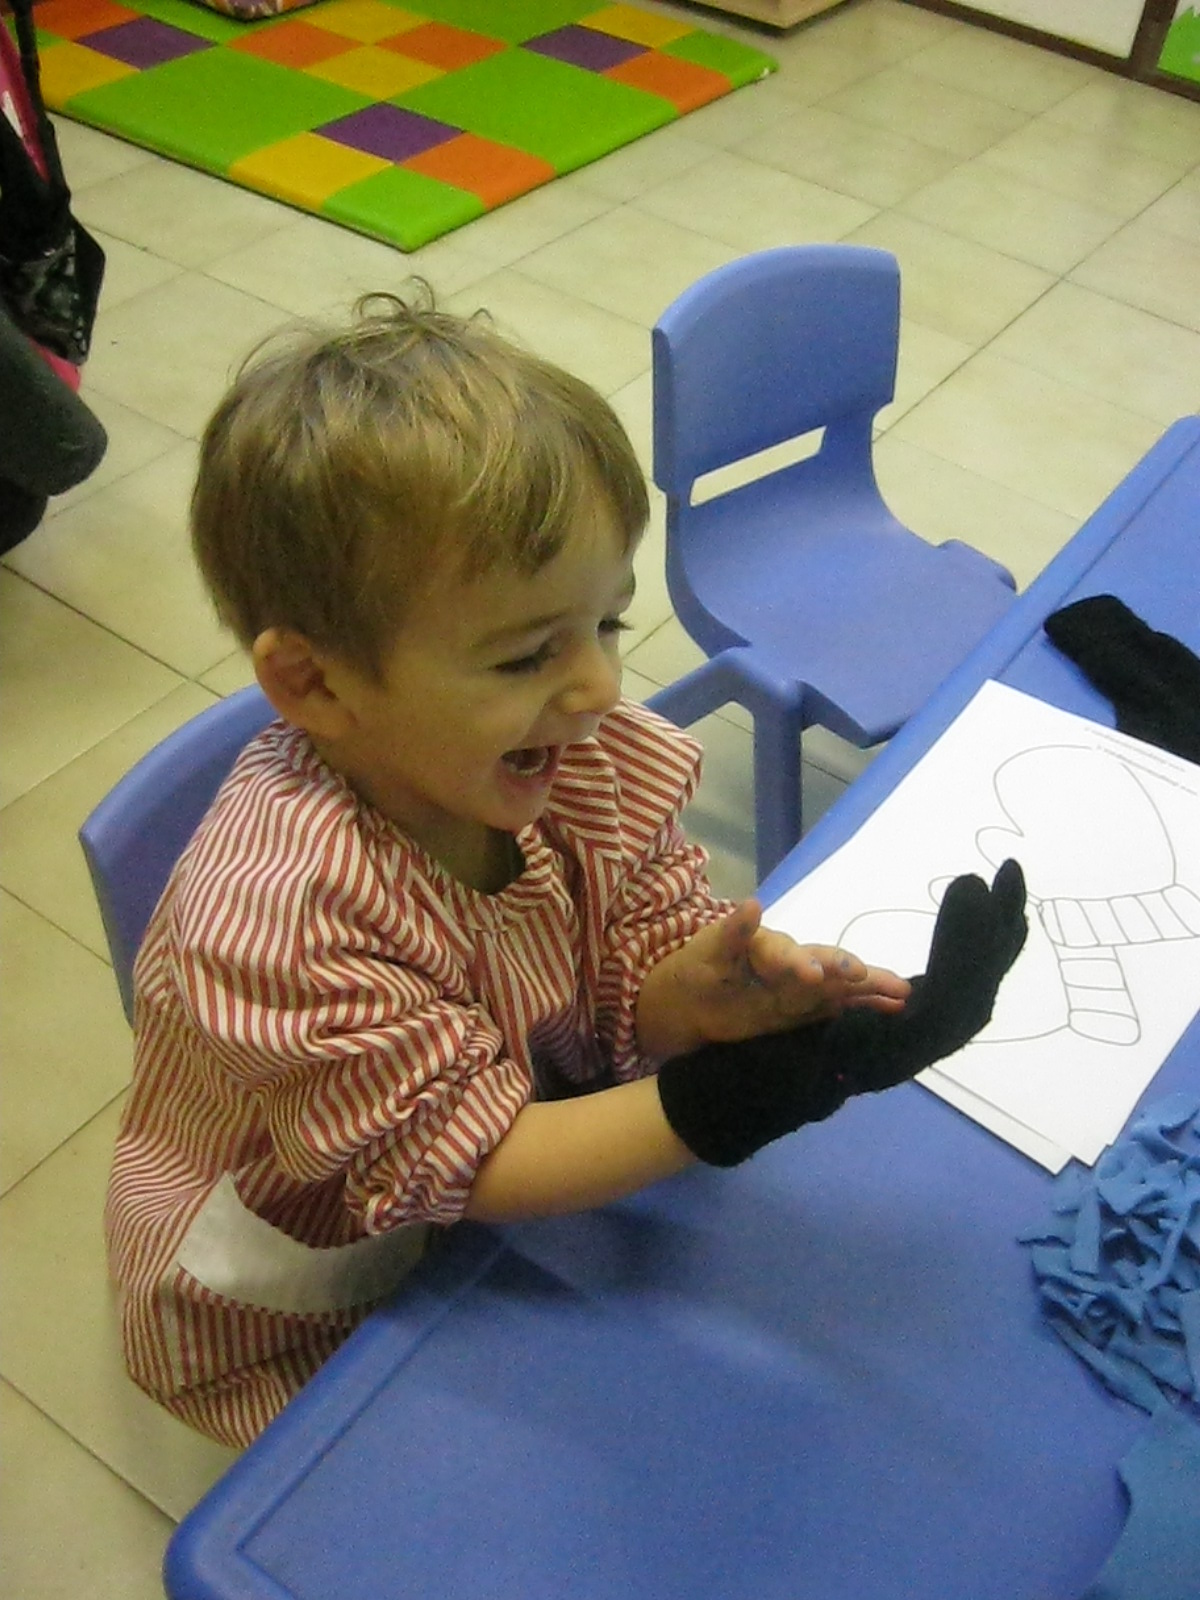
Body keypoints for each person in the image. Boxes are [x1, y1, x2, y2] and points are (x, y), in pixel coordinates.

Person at [105, 291, 1024, 1448]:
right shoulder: (278, 923)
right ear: (316, 684)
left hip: (486, 1195)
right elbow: (478, 1159)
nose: (598, 688)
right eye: (528, 654)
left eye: (609, 625)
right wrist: (731, 1099)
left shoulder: (567, 756)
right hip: (306, 1265)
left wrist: (694, 995)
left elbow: (620, 954)